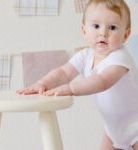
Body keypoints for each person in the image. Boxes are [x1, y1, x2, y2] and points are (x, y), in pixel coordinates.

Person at [17, 0, 138, 149]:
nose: (103, 33)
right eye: (96, 26)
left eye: (112, 27)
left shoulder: (120, 58)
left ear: (125, 35)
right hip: (113, 129)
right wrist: (43, 83)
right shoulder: (85, 55)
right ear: (84, 30)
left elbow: (102, 81)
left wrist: (71, 89)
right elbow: (63, 72)